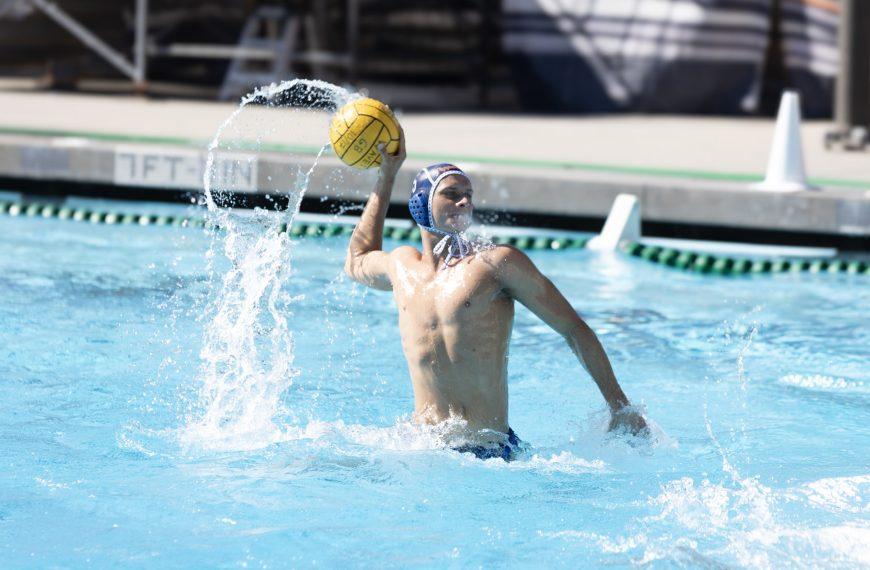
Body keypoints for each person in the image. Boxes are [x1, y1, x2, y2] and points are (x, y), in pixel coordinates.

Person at [344, 128, 647, 461]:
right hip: (422, 448)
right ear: (421, 203)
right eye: (452, 193)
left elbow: (573, 329)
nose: (465, 201)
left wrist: (619, 405)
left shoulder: (495, 264)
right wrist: (387, 175)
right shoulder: (403, 266)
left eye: (469, 194)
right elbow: (356, 260)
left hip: (490, 453)